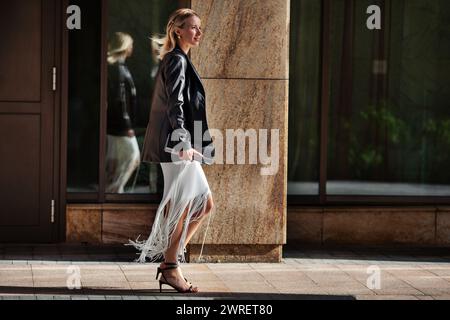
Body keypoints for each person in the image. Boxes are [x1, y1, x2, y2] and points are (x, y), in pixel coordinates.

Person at [128, 8, 215, 294]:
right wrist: (184, 143)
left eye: (199, 28)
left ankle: (170, 261)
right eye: (193, 27)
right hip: (176, 146)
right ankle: (171, 266)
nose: (198, 33)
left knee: (201, 204)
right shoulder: (176, 60)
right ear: (178, 30)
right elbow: (175, 104)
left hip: (179, 145)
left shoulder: (179, 59)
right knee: (188, 205)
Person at [105, 32, 141, 194]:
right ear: (125, 47)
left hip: (114, 124)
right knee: (133, 156)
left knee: (113, 160)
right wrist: (127, 125)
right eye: (131, 44)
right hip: (120, 125)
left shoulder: (119, 68)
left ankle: (111, 190)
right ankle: (114, 189)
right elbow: (120, 100)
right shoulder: (119, 70)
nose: (133, 48)